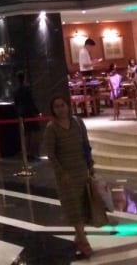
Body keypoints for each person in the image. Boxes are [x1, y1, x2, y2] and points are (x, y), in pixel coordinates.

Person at [43, 95, 95, 259]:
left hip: (81, 170)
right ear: (53, 110)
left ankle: (79, 238)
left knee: (83, 206)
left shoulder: (78, 123)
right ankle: (84, 242)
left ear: (68, 106)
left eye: (62, 105)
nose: (60, 109)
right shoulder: (52, 128)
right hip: (66, 175)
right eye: (56, 106)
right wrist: (61, 173)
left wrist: (90, 164)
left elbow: (85, 144)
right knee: (73, 208)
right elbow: (51, 154)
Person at [12, 71, 42, 160]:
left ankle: (26, 153)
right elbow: (31, 101)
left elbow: (16, 104)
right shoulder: (27, 89)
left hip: (22, 114)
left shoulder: (15, 91)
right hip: (30, 113)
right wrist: (37, 112)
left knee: (26, 133)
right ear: (24, 78)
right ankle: (34, 152)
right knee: (35, 132)